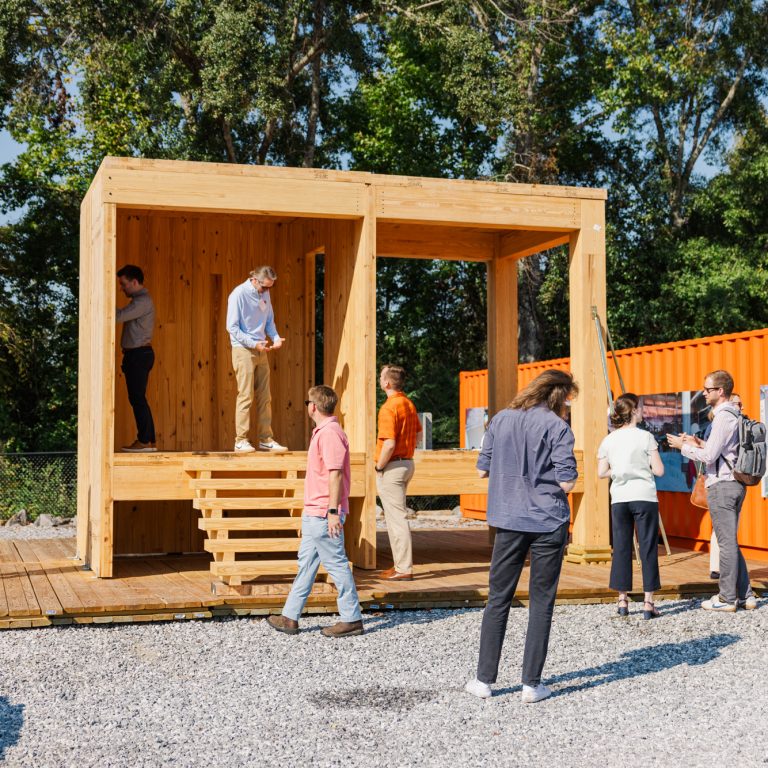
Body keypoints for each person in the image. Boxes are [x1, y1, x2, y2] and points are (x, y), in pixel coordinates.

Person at [465, 370, 578, 704]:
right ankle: (531, 684)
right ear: (559, 396)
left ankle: (484, 680)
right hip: (548, 520)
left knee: (498, 598)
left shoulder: (500, 420)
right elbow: (568, 482)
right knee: (542, 601)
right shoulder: (558, 427)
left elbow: (481, 469)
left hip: (509, 518)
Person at [266, 386, 364, 637]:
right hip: (316, 511)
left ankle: (351, 618)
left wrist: (332, 511)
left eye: (307, 401)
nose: (306, 405)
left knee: (337, 565)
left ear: (313, 406)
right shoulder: (323, 432)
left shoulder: (330, 433)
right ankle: (290, 617)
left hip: (323, 512)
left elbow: (335, 473)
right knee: (306, 565)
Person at [667, 371, 756, 612]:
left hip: (722, 486)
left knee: (726, 544)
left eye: (708, 389)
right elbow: (720, 450)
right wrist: (697, 443)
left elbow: (709, 457)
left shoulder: (723, 417)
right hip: (733, 484)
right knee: (730, 543)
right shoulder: (733, 415)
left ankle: (727, 598)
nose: (704, 393)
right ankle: (746, 595)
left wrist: (683, 447)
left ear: (721, 391)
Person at [597, 393, 665, 619]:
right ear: (634, 410)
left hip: (619, 498)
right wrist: (640, 467)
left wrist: (620, 470)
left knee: (622, 548)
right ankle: (648, 602)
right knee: (647, 548)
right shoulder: (645, 437)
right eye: (641, 407)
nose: (643, 410)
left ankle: (622, 600)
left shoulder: (609, 439)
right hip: (644, 496)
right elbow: (659, 470)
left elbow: (601, 472)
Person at [226, 266, 287, 453]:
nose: (267, 291)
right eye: (265, 287)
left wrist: (275, 337)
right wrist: (253, 344)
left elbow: (269, 321)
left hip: (261, 350)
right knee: (246, 395)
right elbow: (232, 328)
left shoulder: (265, 294)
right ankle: (241, 440)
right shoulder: (238, 294)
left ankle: (265, 439)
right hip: (243, 349)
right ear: (254, 279)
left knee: (265, 396)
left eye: (270, 287)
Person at [374, 365, 422, 581]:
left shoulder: (388, 408)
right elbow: (419, 434)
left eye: (381, 376)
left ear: (387, 383)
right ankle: (400, 566)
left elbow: (389, 443)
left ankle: (403, 569)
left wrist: (379, 467)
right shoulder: (408, 404)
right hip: (407, 463)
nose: (379, 379)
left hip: (392, 466)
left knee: (396, 519)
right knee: (397, 516)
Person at [701, 393, 743, 580]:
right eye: (736, 403)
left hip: (723, 481)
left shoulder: (725, 421)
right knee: (726, 534)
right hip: (738, 481)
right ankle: (722, 573)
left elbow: (710, 454)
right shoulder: (738, 422)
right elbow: (712, 450)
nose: (739, 406)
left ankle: (729, 589)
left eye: (740, 403)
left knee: (724, 533)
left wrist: (684, 447)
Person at [116, 264, 157, 452]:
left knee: (138, 399)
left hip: (138, 355)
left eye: (123, 284)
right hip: (138, 354)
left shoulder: (142, 302)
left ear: (134, 282)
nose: (121, 288)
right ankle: (147, 440)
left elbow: (118, 316)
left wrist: (104, 302)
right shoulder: (140, 300)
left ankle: (145, 441)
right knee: (138, 398)